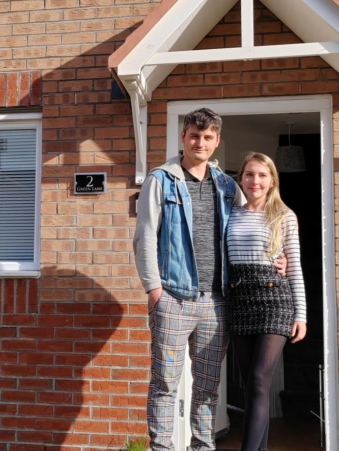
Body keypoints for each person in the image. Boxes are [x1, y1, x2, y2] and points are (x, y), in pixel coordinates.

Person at [133, 109, 285, 451]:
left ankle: (203, 447)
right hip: (173, 297)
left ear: (216, 142)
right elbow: (144, 237)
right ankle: (162, 448)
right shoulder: (161, 180)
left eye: (208, 137)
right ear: (184, 137)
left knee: (206, 388)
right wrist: (154, 289)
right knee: (165, 385)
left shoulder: (227, 185)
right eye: (194, 135)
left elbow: (254, 224)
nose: (200, 142)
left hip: (217, 302)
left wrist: (277, 256)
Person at [225, 152, 307, 451]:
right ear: (241, 178)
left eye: (262, 175)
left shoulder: (284, 216)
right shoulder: (230, 213)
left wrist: (301, 315)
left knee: (260, 379)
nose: (255, 181)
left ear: (272, 180)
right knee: (251, 385)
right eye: (249, 174)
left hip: (274, 300)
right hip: (240, 299)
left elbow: (294, 266)